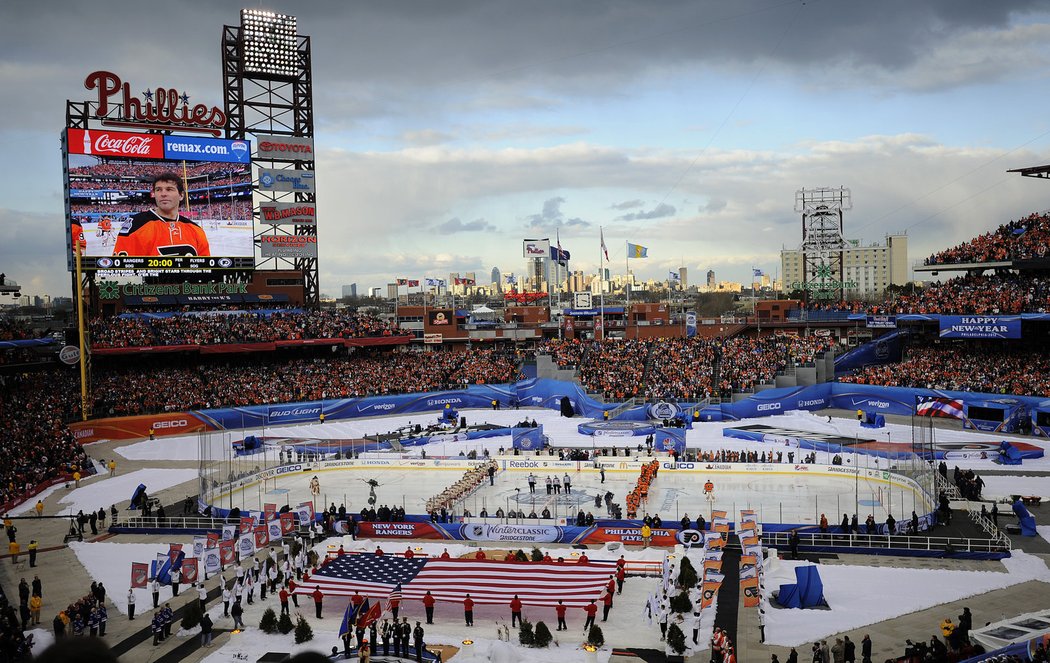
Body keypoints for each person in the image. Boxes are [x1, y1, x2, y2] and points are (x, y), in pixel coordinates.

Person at [113, 172, 211, 257]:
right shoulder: (135, 225)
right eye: (158, 189)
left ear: (181, 195)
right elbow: (122, 270)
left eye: (169, 189)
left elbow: (207, 269)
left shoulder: (196, 230)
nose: (163, 194)